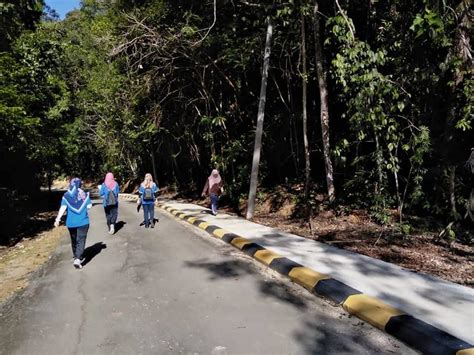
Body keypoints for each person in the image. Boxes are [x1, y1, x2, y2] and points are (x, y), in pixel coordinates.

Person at [54, 178, 92, 269]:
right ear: (79, 185)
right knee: (81, 240)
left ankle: (76, 255)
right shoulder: (84, 195)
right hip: (83, 222)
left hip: (71, 223)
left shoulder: (66, 196)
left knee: (74, 240)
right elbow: (89, 206)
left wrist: (57, 219)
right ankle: (78, 259)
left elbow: (63, 208)